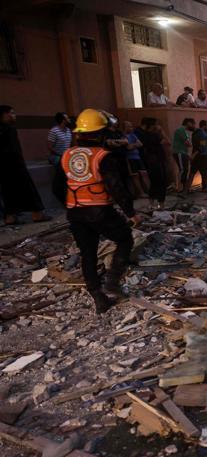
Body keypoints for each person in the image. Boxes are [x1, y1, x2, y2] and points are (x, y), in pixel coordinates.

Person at [60, 108, 140, 313]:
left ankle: (98, 297)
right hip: (99, 210)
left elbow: (58, 185)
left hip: (75, 212)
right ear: (102, 133)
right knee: (124, 239)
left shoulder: (67, 155)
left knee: (88, 253)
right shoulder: (102, 156)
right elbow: (116, 187)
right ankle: (112, 281)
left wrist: (71, 202)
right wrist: (131, 212)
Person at [0, 105, 50, 225]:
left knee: (8, 192)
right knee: (28, 190)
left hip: (3, 167)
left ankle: (10, 217)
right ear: (4, 115)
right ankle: (37, 214)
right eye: (11, 113)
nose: (14, 115)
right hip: (15, 165)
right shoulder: (9, 129)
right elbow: (14, 150)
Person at [134, 117, 168, 209]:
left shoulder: (153, 135)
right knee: (157, 182)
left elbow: (167, 141)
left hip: (158, 160)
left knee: (159, 181)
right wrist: (161, 132)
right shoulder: (145, 135)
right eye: (156, 124)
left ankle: (157, 203)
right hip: (153, 161)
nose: (158, 126)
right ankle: (156, 203)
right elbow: (165, 141)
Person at [185, 120, 207, 198]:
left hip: (201, 156)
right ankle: (185, 192)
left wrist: (193, 155)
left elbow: (201, 146)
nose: (187, 127)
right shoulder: (199, 133)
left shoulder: (201, 134)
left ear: (193, 124)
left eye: (189, 125)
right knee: (192, 174)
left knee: (205, 175)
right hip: (200, 156)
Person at [122, 120, 149, 198]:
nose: (131, 128)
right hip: (130, 158)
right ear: (125, 127)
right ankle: (141, 193)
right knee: (135, 176)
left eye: (131, 126)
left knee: (144, 173)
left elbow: (140, 144)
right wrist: (135, 145)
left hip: (137, 156)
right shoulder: (123, 136)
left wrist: (133, 145)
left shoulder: (133, 135)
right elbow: (128, 147)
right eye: (129, 126)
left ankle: (149, 190)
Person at [172, 118, 194, 192]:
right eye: (192, 124)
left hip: (183, 153)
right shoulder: (181, 130)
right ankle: (179, 188)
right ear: (188, 123)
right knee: (182, 170)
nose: (193, 126)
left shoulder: (183, 131)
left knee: (185, 170)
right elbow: (187, 143)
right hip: (179, 152)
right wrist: (192, 144)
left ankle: (184, 187)